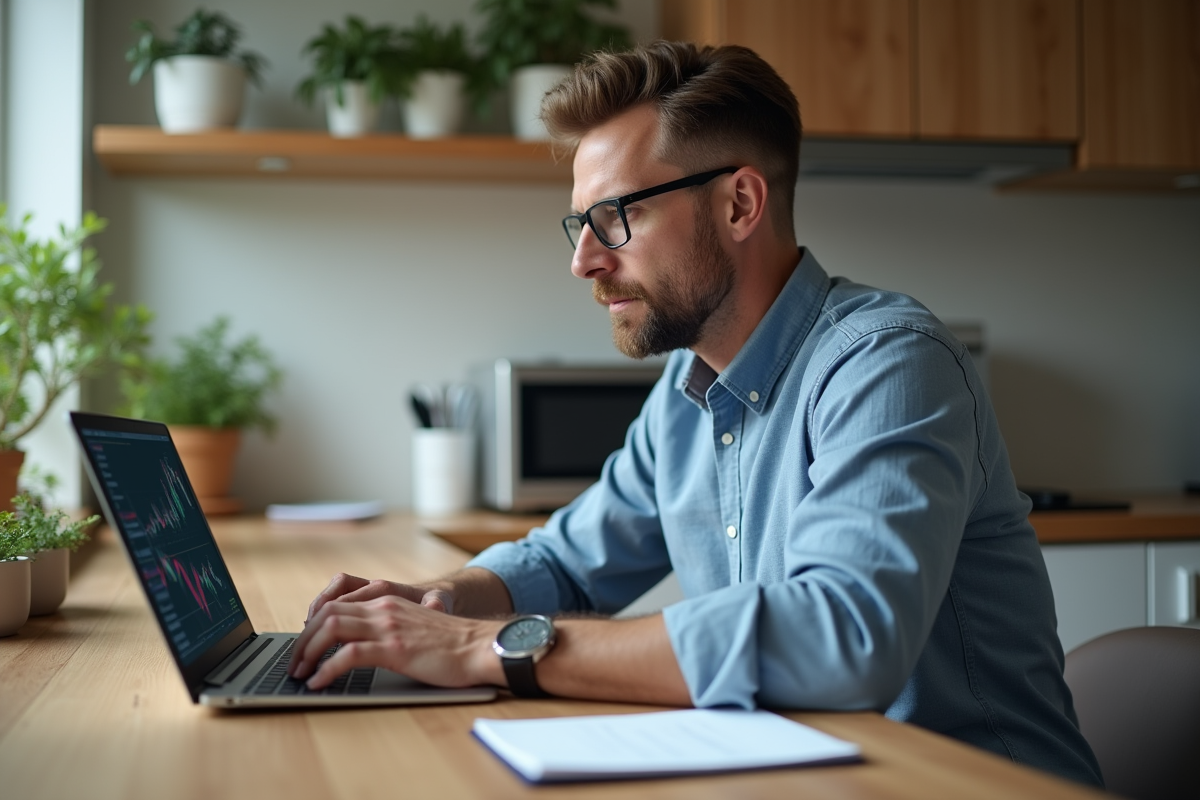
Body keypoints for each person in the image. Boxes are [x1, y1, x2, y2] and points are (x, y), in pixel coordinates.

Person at [288, 41, 1101, 786]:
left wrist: (489, 647)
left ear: (739, 204)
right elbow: (570, 565)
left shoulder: (887, 360)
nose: (583, 260)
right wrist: (428, 607)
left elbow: (847, 637)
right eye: (580, 223)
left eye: (616, 216)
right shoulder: (687, 393)